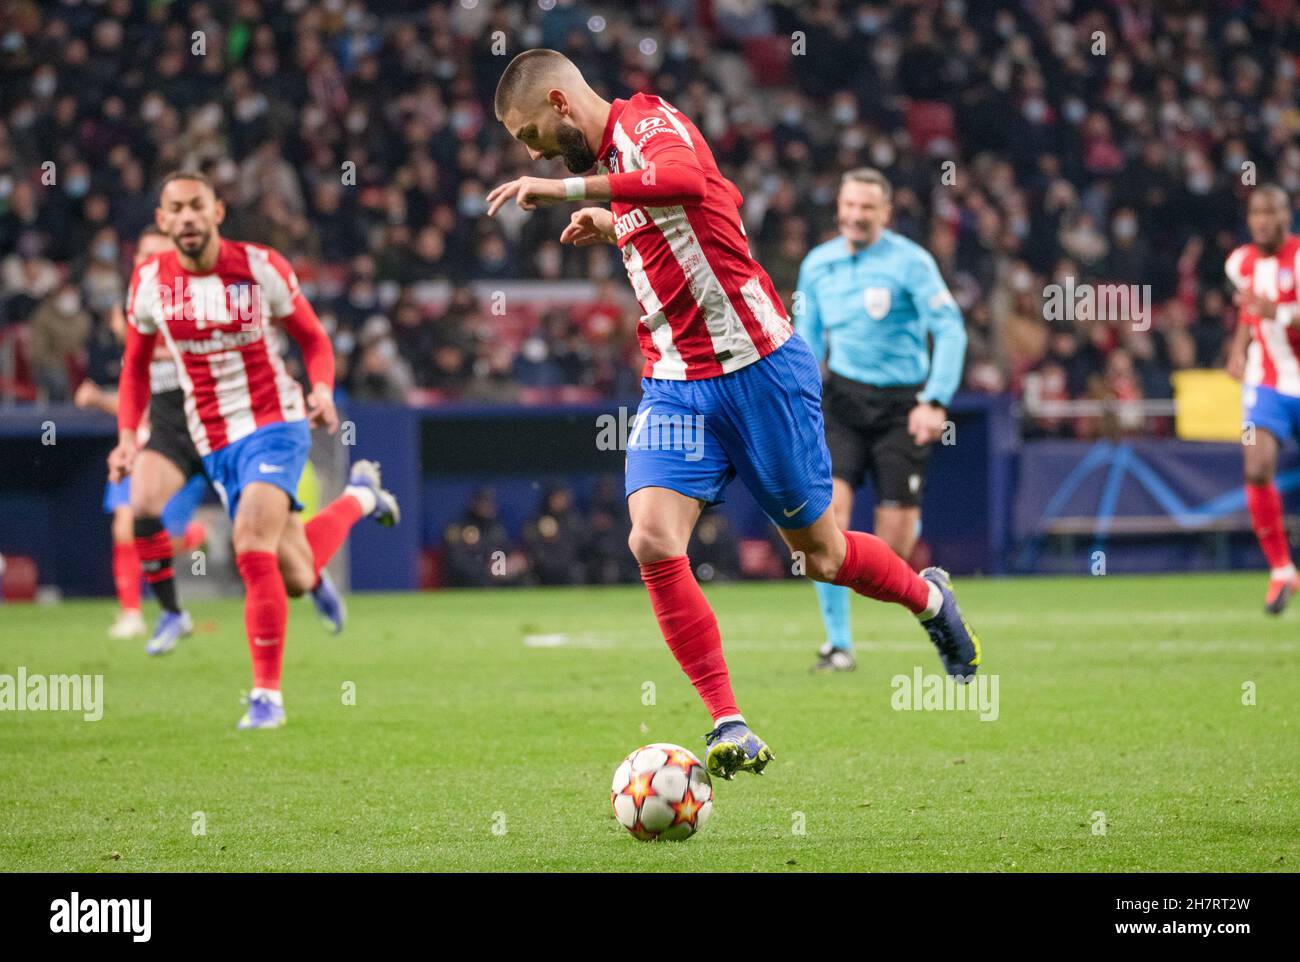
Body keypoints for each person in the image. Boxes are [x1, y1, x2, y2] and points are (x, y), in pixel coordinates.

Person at [486, 49, 981, 780]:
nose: (529, 152)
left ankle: (927, 597)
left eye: (529, 134)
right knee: (653, 540)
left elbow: (690, 185)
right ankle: (729, 720)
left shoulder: (651, 122)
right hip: (676, 384)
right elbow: (679, 230)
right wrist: (614, 220)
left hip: (759, 371)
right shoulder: (619, 174)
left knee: (823, 554)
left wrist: (571, 191)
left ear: (560, 104)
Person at [110, 171, 401, 729]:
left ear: (217, 212)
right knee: (293, 575)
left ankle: (266, 697)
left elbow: (313, 338)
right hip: (213, 437)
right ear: (163, 220)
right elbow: (135, 369)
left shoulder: (260, 267)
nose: (189, 217)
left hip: (275, 423)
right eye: (177, 208)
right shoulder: (148, 283)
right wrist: (127, 438)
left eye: (198, 206)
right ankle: (362, 498)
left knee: (249, 543)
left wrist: (319, 388)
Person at [794, 169, 967, 672]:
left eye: (867, 208)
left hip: (901, 407)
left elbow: (950, 329)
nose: (855, 215)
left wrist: (934, 401)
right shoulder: (818, 265)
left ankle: (930, 595)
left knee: (893, 546)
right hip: (842, 402)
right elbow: (806, 340)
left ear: (885, 214)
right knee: (825, 525)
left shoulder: (912, 263)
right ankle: (839, 645)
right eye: (849, 205)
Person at [81, 226, 209, 646]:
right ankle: (134, 613)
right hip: (145, 435)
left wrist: (100, 399)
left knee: (261, 534)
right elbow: (135, 383)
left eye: (155, 254)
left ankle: (190, 540)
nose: (145, 262)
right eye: (141, 255)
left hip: (195, 430)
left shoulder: (194, 305)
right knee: (126, 524)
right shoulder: (131, 309)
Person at [1224, 185, 1300, 614]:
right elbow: (1249, 310)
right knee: (1256, 465)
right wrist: (1238, 348)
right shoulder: (1239, 262)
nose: (1262, 221)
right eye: (1256, 213)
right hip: (1265, 382)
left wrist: (1283, 314)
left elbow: (1272, 310)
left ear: (1286, 215)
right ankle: (1280, 569)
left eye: (1270, 212)